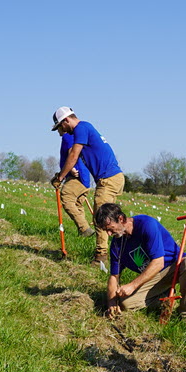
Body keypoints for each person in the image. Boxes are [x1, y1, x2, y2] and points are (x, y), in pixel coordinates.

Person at [95, 203, 186, 320]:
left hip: (174, 266)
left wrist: (132, 286)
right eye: (106, 230)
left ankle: (185, 315)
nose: (109, 234)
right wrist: (111, 302)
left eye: (110, 229)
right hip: (154, 275)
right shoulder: (116, 245)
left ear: (120, 219)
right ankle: (163, 299)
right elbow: (114, 277)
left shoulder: (146, 224)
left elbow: (158, 262)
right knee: (126, 304)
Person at [51, 108, 125, 267]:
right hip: (112, 178)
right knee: (109, 218)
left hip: (108, 179)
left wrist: (60, 177)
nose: (61, 131)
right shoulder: (84, 128)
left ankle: (100, 258)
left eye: (60, 127)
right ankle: (121, 249)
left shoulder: (81, 128)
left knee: (101, 217)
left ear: (66, 121)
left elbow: (73, 155)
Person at [57, 125, 95, 238]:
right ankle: (84, 234)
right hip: (85, 178)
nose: (57, 130)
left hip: (77, 176)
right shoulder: (73, 136)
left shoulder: (67, 137)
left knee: (66, 197)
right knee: (78, 204)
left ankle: (85, 229)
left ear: (62, 126)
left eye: (58, 127)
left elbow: (72, 153)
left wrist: (71, 169)